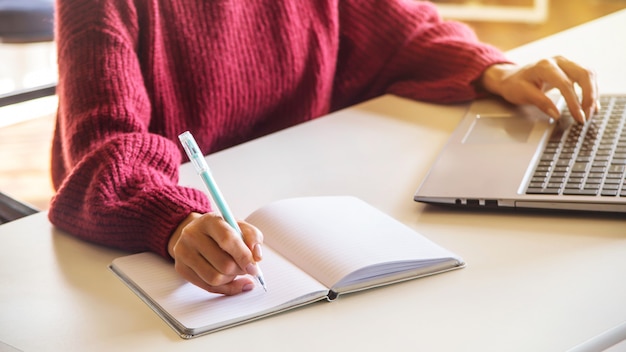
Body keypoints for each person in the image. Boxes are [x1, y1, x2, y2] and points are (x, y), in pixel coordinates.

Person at [49, 0, 598, 296]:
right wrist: (173, 222)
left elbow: (404, 32)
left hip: (306, 212)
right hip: (177, 249)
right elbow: (104, 151)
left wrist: (496, 71)